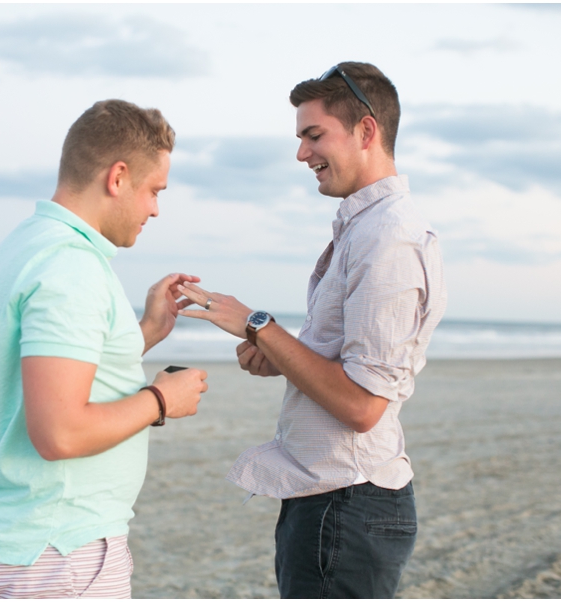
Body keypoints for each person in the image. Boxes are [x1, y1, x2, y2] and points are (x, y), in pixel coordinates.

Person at [178, 62, 447, 598]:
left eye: (314, 135)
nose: (302, 154)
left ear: (366, 131)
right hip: (330, 499)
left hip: (347, 504)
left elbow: (363, 407)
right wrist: (277, 353)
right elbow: (351, 370)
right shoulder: (365, 227)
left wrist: (258, 325)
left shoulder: (388, 237)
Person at [0, 99, 209, 599]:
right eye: (155, 190)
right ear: (118, 177)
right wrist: (163, 401)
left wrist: (148, 331)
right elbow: (60, 433)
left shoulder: (27, 246)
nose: (156, 208)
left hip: (22, 535)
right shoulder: (72, 268)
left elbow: (59, 372)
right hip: (57, 550)